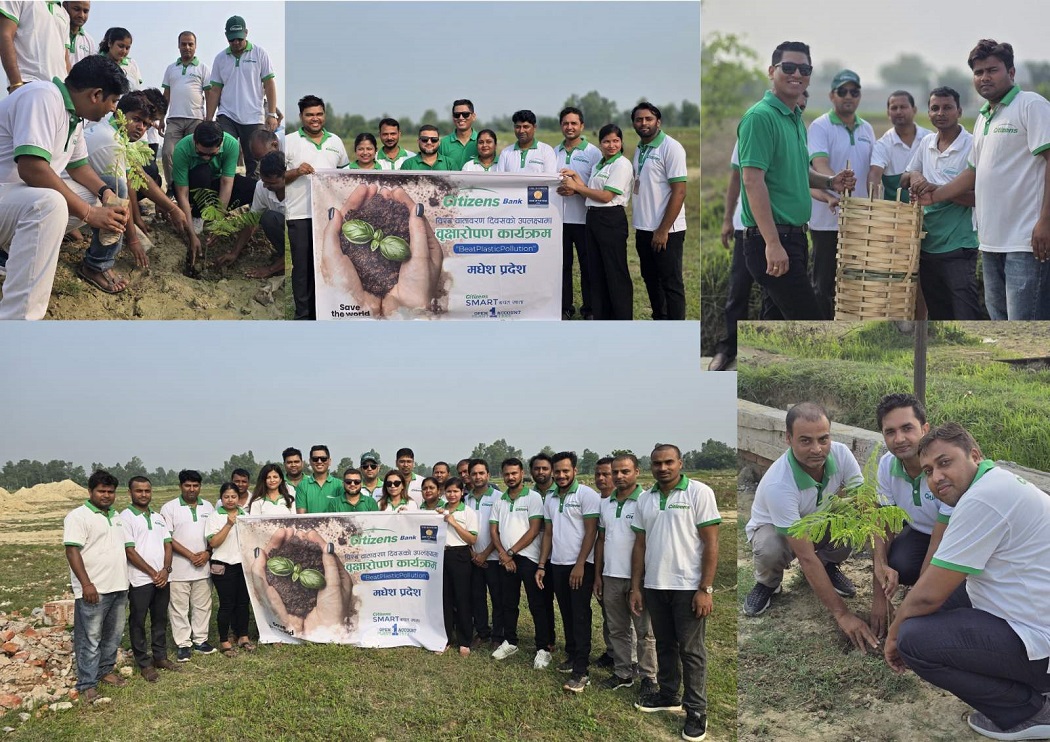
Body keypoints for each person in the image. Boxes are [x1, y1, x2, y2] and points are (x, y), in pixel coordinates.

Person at [886, 423, 1050, 741]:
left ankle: (1028, 712)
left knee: (914, 638)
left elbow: (926, 597)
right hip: (1036, 611)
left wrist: (893, 636)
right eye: (928, 471)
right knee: (942, 600)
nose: (936, 478)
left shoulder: (982, 500)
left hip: (1041, 641)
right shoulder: (995, 482)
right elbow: (937, 578)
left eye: (945, 463)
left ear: (974, 455)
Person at [914, 39, 1050, 321]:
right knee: (1000, 323)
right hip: (990, 242)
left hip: (1025, 241)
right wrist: (935, 195)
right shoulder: (984, 118)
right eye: (978, 72)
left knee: (1027, 328)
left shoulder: (1031, 105)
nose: (984, 77)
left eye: (992, 70)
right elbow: (973, 173)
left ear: (1011, 73)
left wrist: (1045, 221)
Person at [0, 54, 129, 320]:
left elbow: (78, 167)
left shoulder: (74, 115)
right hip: (8, 194)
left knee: (93, 196)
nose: (113, 110)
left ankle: (8, 250)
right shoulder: (43, 97)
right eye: (113, 101)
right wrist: (90, 215)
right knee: (51, 205)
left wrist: (106, 194)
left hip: (13, 200)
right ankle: (18, 321)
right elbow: (32, 168)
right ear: (96, 94)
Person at [742, 403, 877, 650]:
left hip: (817, 520)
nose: (817, 449)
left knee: (846, 522)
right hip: (777, 531)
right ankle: (768, 583)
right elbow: (805, 556)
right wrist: (843, 614)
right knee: (770, 547)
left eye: (823, 439)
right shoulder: (779, 484)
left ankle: (827, 564)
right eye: (805, 441)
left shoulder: (842, 454)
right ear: (788, 438)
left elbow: (863, 504)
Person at [737, 42, 855, 322]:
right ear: (771, 71)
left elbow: (796, 172)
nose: (796, 74)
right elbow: (753, 182)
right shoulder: (760, 118)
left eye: (804, 69)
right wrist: (773, 243)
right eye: (788, 67)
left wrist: (830, 181)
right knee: (810, 323)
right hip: (773, 238)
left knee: (775, 325)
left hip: (796, 237)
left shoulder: (794, 118)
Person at [629, 445, 721, 742]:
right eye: (657, 463)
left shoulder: (699, 492)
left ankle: (696, 711)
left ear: (680, 463)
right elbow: (640, 545)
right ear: (651, 467)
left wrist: (705, 588)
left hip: (687, 587)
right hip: (656, 585)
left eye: (669, 462)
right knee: (665, 644)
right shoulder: (645, 499)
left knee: (691, 650)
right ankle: (669, 694)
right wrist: (636, 586)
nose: (663, 468)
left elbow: (711, 543)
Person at [82, 90, 188, 292]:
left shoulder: (116, 133)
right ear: (120, 114)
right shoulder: (111, 143)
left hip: (74, 187)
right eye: (137, 120)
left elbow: (140, 178)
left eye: (147, 124)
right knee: (116, 193)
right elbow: (123, 195)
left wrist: (172, 209)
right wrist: (132, 239)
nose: (141, 128)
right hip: (67, 194)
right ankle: (96, 265)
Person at [869, 393, 951, 639]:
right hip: (920, 532)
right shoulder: (886, 465)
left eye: (907, 428)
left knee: (948, 595)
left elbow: (938, 543)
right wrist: (879, 591)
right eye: (890, 432)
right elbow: (883, 523)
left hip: (952, 536)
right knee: (898, 563)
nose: (899, 439)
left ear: (925, 429)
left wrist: (909, 610)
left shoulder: (942, 470)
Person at [901, 87, 982, 320]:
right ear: (928, 113)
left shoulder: (972, 145)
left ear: (959, 111)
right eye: (935, 108)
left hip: (959, 246)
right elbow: (905, 176)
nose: (941, 113)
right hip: (927, 244)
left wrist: (939, 191)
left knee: (966, 313)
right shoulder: (927, 142)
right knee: (938, 315)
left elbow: (979, 198)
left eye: (947, 107)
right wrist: (916, 177)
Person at [807, 70, 876, 319]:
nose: (849, 96)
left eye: (854, 92)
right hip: (828, 219)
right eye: (842, 91)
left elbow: (872, 173)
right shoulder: (820, 126)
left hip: (858, 220)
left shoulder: (867, 129)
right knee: (824, 285)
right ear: (831, 95)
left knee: (856, 284)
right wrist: (834, 183)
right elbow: (819, 165)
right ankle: (824, 333)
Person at [537, 451, 601, 693]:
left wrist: (580, 564)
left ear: (575, 471)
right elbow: (549, 534)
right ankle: (573, 655)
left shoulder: (587, 495)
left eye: (566, 471)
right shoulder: (551, 497)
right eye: (558, 471)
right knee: (566, 612)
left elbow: (591, 532)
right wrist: (543, 565)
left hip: (580, 566)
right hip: (557, 564)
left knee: (580, 615)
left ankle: (582, 671)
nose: (561, 475)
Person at [63, 470, 128, 703]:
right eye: (101, 491)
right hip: (94, 590)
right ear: (90, 491)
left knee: (112, 635)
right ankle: (87, 683)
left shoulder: (116, 515)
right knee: (89, 638)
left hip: (119, 586)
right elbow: (72, 551)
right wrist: (86, 584)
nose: (106, 495)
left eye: (111, 492)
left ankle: (105, 671)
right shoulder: (78, 517)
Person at [594, 454, 657, 693]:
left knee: (644, 630)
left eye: (625, 472)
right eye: (615, 472)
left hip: (638, 578)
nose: (619, 476)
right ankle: (622, 672)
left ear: (637, 472)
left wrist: (637, 583)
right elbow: (601, 540)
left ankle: (649, 677)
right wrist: (599, 575)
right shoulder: (606, 503)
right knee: (617, 628)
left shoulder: (645, 501)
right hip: (611, 575)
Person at [560, 123, 635, 320]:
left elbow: (605, 196)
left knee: (615, 271)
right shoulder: (599, 164)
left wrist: (576, 186)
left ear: (621, 142)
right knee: (597, 271)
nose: (612, 145)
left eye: (616, 141)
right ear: (600, 144)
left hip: (610, 219)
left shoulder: (622, 164)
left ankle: (621, 317)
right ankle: (602, 316)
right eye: (607, 141)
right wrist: (576, 177)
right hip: (593, 218)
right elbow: (591, 192)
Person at [285, 94, 349, 319]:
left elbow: (345, 178)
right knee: (302, 269)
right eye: (309, 115)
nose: (315, 119)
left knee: (329, 266)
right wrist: (295, 171)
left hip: (330, 216)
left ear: (325, 115)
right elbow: (274, 179)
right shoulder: (289, 141)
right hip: (299, 214)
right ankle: (303, 316)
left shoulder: (335, 142)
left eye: (319, 114)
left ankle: (328, 313)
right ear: (301, 117)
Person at [490, 458, 552, 669]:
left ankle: (542, 648)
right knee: (509, 603)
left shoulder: (533, 497)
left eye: (514, 473)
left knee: (537, 604)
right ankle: (511, 641)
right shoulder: (500, 500)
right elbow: (493, 531)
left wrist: (510, 552)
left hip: (529, 559)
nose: (510, 477)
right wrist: (504, 555)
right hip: (506, 560)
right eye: (507, 474)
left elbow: (534, 530)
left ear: (521, 473)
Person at [171, 121, 255, 272]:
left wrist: (218, 221)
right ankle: (197, 216)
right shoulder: (182, 148)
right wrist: (191, 235)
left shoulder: (231, 144)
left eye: (212, 154)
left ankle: (213, 218)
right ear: (194, 142)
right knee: (202, 170)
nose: (206, 157)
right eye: (201, 153)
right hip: (193, 185)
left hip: (216, 184)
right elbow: (182, 193)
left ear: (220, 144)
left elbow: (226, 182)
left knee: (252, 187)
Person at [630, 102, 687, 320]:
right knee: (650, 279)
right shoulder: (640, 147)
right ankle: (660, 322)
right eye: (638, 119)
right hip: (643, 227)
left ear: (658, 122)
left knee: (671, 283)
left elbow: (679, 192)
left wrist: (663, 230)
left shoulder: (671, 148)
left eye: (648, 119)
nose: (643, 123)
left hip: (667, 231)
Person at [206, 15, 277, 179]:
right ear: (226, 37)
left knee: (254, 160)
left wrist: (271, 113)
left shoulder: (260, 54)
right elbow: (215, 90)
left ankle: (255, 196)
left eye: (239, 39)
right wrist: (209, 118)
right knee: (223, 152)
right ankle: (221, 191)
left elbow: (269, 84)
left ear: (246, 33)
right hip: (227, 115)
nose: (236, 43)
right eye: (232, 40)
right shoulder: (220, 58)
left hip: (253, 117)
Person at [120, 475, 175, 683]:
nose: (144, 494)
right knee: (138, 621)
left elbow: (167, 544)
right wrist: (153, 573)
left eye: (147, 491)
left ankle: (160, 657)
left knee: (160, 618)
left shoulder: (158, 516)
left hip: (162, 578)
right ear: (130, 493)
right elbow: (130, 551)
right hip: (140, 580)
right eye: (139, 491)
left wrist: (166, 570)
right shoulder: (125, 517)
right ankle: (144, 663)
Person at [160, 469, 216, 661]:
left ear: (200, 486)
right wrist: (191, 555)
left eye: (195, 485)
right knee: (179, 607)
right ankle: (183, 644)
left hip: (203, 567)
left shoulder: (208, 506)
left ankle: (201, 640)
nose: (192, 489)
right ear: (180, 486)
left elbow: (214, 533)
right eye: (187, 485)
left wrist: (207, 553)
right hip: (179, 569)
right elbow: (167, 538)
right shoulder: (170, 508)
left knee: (202, 606)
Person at [554, 107, 602, 320]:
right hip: (559, 220)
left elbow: (597, 187)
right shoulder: (553, 152)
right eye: (566, 123)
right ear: (561, 126)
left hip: (585, 219)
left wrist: (576, 189)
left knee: (587, 267)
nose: (570, 127)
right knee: (562, 267)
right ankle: (564, 307)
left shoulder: (593, 152)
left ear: (581, 126)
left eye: (574, 123)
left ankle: (590, 308)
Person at [214, 149, 286, 279]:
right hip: (287, 231)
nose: (266, 186)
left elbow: (304, 239)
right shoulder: (262, 186)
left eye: (272, 183)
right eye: (264, 181)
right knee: (268, 218)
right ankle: (283, 256)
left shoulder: (300, 192)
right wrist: (234, 252)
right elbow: (251, 222)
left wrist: (270, 270)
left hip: (307, 238)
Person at [205, 482, 254, 657]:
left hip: (242, 565)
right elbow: (213, 543)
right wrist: (228, 524)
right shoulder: (214, 517)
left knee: (243, 603)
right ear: (221, 498)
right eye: (226, 497)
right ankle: (224, 640)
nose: (230, 500)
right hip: (223, 566)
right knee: (226, 604)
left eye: (233, 496)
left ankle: (243, 636)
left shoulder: (245, 515)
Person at [161, 31, 210, 195]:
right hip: (174, 119)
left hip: (195, 120)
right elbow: (166, 95)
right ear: (178, 45)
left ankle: (192, 190)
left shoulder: (202, 68)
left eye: (190, 44)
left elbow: (209, 95)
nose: (187, 47)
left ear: (195, 46)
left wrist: (209, 119)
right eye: (183, 44)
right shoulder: (171, 68)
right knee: (168, 152)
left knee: (193, 156)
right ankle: (172, 188)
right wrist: (161, 117)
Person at [437, 476, 478, 656]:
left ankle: (464, 641)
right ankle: (445, 638)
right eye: (449, 491)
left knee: (462, 598)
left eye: (455, 491)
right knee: (444, 599)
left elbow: (472, 539)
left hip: (460, 555)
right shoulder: (439, 510)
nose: (452, 495)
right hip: (441, 555)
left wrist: (453, 522)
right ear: (444, 493)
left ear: (462, 493)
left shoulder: (467, 512)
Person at [867, 90, 932, 202]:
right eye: (894, 108)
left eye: (903, 107)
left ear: (914, 110)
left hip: (928, 211)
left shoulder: (930, 138)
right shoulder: (883, 145)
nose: (899, 111)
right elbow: (874, 175)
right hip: (895, 214)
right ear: (888, 113)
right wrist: (874, 204)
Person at [467, 458, 502, 649]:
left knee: (498, 598)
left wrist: (485, 553)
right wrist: (473, 554)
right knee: (477, 597)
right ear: (469, 476)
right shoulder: (466, 500)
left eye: (481, 473)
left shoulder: (499, 497)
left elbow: (501, 530)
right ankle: (482, 632)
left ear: (488, 475)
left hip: (494, 558)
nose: (478, 477)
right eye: (474, 473)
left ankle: (498, 635)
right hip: (473, 559)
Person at [0, 0, 69, 90]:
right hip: (28, 82)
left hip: (61, 88)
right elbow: (5, 35)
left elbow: (65, 57)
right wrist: (16, 83)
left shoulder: (64, 13)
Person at [496, 110, 557, 174]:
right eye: (518, 127)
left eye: (526, 127)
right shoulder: (506, 153)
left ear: (534, 128)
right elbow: (500, 180)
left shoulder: (546, 151)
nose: (521, 131)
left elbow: (549, 179)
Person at [295, 444, 342, 514]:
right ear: (310, 461)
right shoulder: (302, 486)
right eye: (315, 459)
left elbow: (343, 513)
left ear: (329, 461)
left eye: (323, 459)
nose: (319, 461)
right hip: (310, 525)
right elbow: (301, 517)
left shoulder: (340, 485)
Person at [437, 99, 477, 171]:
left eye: (465, 114)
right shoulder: (444, 143)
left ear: (473, 116)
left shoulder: (481, 142)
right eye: (457, 115)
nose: (461, 118)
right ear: (453, 117)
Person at [99, 27, 140, 91]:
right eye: (120, 46)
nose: (124, 51)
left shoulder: (131, 65)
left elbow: (137, 90)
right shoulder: (98, 63)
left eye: (127, 48)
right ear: (110, 43)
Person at [63, 1, 93, 65]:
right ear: (65, 6)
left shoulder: (89, 41)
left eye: (85, 11)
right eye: (76, 9)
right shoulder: (55, 32)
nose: (81, 15)